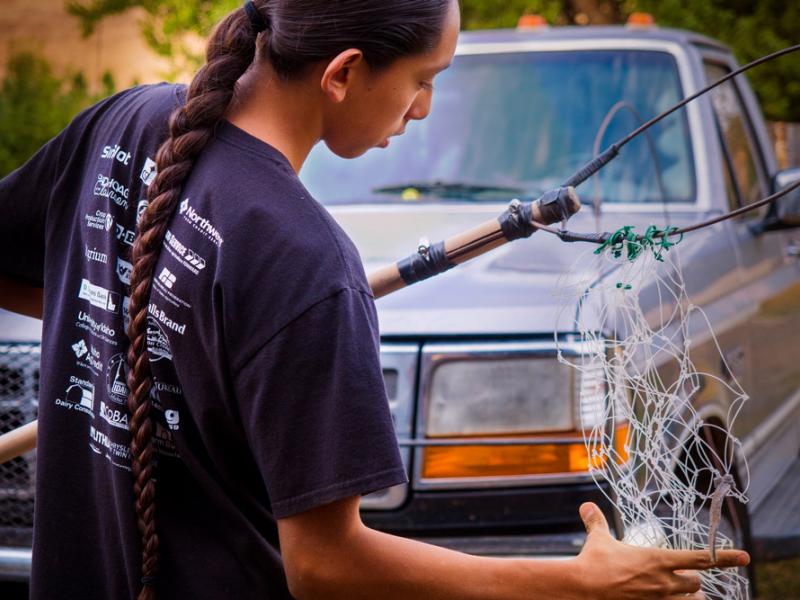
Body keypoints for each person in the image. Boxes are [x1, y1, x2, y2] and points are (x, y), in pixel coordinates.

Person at [0, 1, 749, 598]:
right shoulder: (304, 262)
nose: (423, 108)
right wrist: (577, 585)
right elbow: (327, 568)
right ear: (344, 72)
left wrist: (139, 322)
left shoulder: (126, 120)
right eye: (425, 78)